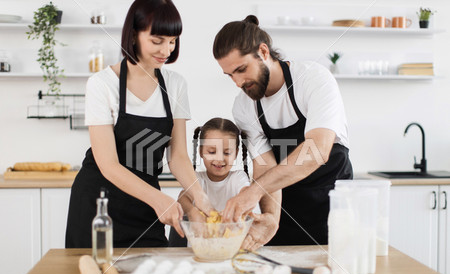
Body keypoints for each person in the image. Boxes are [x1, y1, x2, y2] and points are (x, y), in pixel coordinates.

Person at [66, 0, 213, 249]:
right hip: (99, 206)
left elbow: (177, 156)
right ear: (134, 35)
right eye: (157, 40)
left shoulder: (175, 84)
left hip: (147, 207)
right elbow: (108, 165)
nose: (166, 50)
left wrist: (200, 197)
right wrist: (158, 199)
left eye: (173, 41)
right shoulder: (102, 84)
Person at [212, 15, 353, 247]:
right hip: (287, 210)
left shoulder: (313, 79)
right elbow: (265, 166)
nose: (237, 82)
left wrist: (252, 192)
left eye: (241, 69)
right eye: (230, 75)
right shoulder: (244, 106)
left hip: (335, 208)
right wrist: (271, 219)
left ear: (264, 52)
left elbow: (318, 149)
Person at [169, 117, 260, 247]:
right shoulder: (196, 179)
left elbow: (245, 192)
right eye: (212, 152)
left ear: (236, 154)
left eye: (227, 153)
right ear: (201, 152)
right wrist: (192, 213)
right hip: (199, 249)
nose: (219, 159)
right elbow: (183, 198)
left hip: (231, 249)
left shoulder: (238, 177)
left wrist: (237, 208)